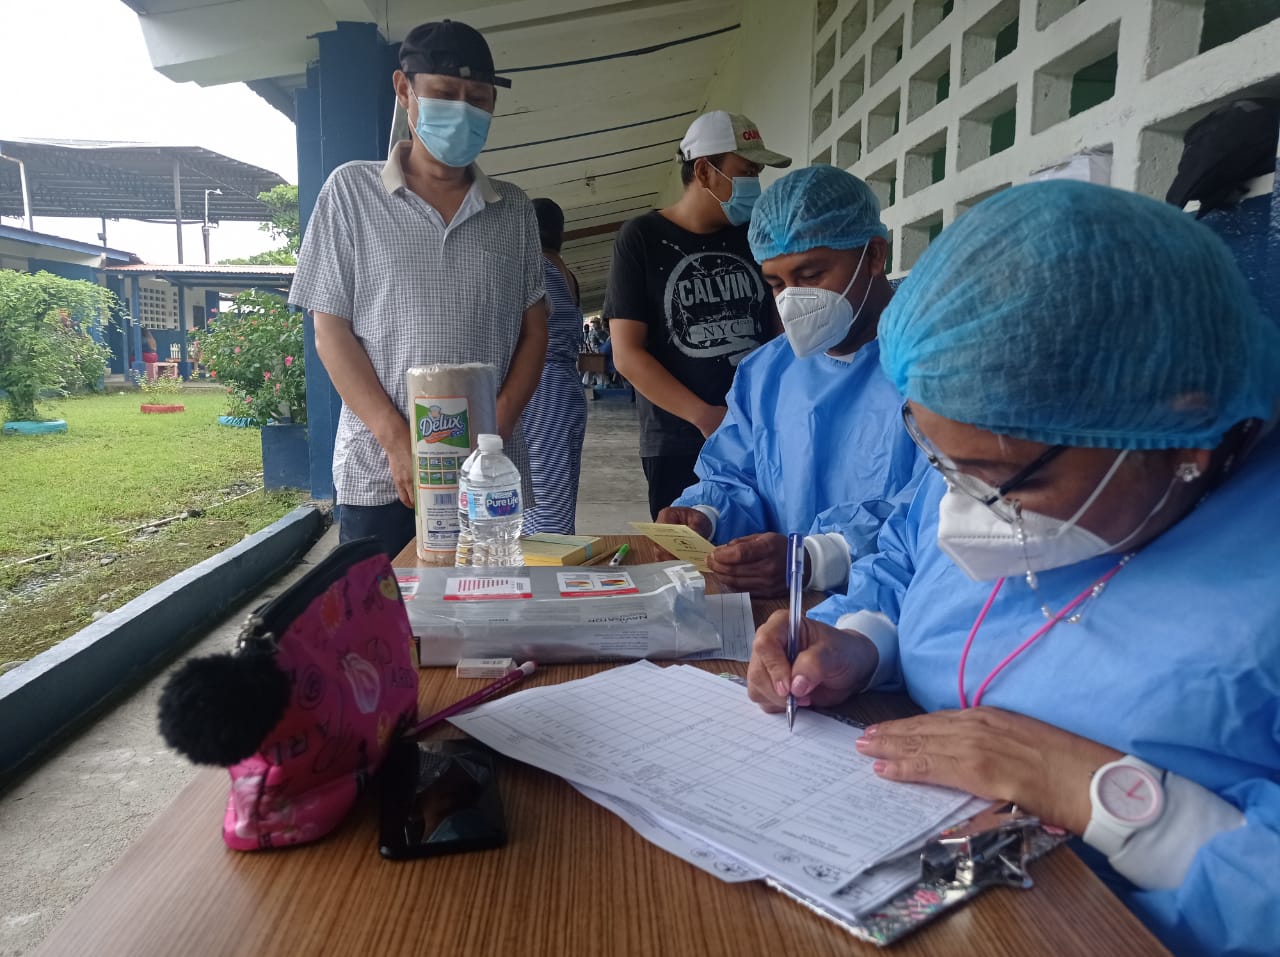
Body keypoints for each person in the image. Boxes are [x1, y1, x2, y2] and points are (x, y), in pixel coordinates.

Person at [747, 181, 1280, 957]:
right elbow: (904, 552)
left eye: (1012, 482)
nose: (967, 512)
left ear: (1187, 433)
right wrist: (859, 639)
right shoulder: (1002, 439)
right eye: (943, 464)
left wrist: (1111, 797)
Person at [289, 19, 549, 557]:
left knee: (484, 625)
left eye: (478, 98)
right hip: (382, 473)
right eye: (445, 94)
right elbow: (330, 331)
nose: (463, 109)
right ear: (404, 89)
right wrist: (395, 439)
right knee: (386, 633)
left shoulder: (513, 209)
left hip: (489, 482)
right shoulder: (350, 193)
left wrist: (494, 430)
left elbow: (535, 331)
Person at [658, 166, 926, 597]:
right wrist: (706, 514)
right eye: (777, 282)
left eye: (811, 276)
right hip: (782, 608)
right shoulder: (765, 373)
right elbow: (736, 475)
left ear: (874, 255)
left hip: (887, 617)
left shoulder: (932, 368)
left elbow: (940, 504)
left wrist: (818, 558)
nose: (792, 299)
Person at [604, 111, 790, 518]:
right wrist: (706, 418)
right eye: (746, 170)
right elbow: (628, 354)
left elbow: (777, 332)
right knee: (686, 558)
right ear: (705, 171)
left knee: (753, 557)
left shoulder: (753, 236)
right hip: (677, 440)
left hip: (757, 433)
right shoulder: (642, 238)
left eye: (757, 172)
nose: (754, 184)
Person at [520, 198, 588, 535]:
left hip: (542, 390)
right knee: (557, 490)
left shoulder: (536, 268)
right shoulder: (564, 270)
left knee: (543, 499)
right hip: (565, 389)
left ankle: (544, 579)